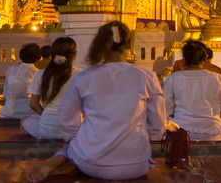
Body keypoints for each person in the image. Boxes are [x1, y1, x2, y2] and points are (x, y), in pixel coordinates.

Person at [28, 21, 168, 182]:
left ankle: (65, 158)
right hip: (136, 165)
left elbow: (64, 119)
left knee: (73, 147)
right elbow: (158, 127)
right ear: (129, 44)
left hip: (91, 164)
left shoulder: (84, 77)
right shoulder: (147, 76)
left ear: (99, 44)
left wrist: (76, 138)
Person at [163, 40, 221, 141]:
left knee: (161, 114)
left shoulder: (172, 78)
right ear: (205, 58)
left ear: (184, 58)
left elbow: (166, 110)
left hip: (181, 130)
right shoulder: (217, 78)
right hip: (213, 131)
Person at [21, 37, 82, 140]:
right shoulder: (81, 74)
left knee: (25, 121)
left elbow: (33, 104)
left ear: (52, 55)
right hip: (73, 131)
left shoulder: (41, 74)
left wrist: (47, 115)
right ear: (74, 55)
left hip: (47, 130)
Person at [0, 44, 41, 119]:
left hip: (9, 112)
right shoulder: (37, 72)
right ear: (38, 57)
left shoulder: (11, 69)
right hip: (29, 113)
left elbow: (5, 94)